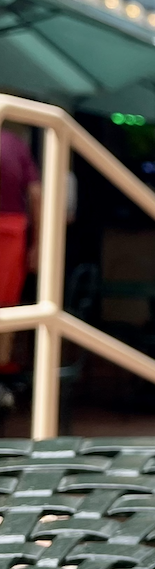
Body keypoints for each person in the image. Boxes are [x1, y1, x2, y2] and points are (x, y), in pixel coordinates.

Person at [0, 126, 40, 380]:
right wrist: (38, 245)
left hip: (12, 228)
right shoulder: (14, 144)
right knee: (5, 308)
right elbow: (36, 194)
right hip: (12, 230)